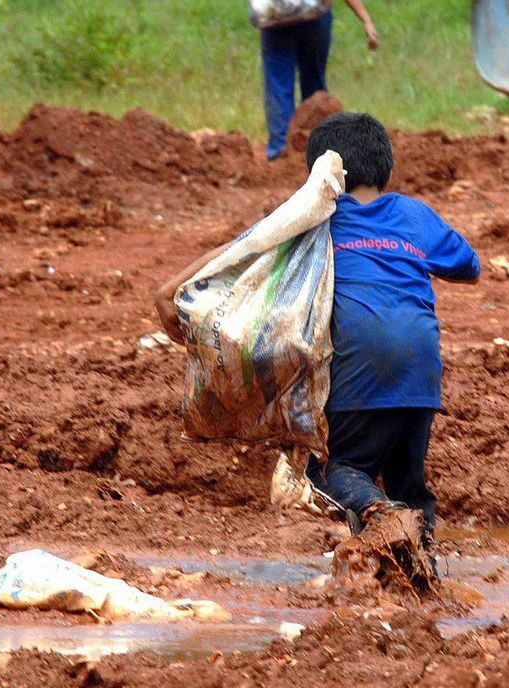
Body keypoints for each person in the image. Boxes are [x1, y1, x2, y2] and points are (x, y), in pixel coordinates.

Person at [154, 112, 479, 557]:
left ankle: (382, 518)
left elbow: (247, 248)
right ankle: (420, 573)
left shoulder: (316, 221)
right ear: (386, 169)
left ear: (320, 175)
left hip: (357, 372)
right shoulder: (414, 216)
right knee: (409, 483)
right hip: (421, 377)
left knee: (335, 473)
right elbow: (468, 267)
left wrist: (174, 288)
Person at [257, 0, 379, 161]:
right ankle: (318, 153)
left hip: (276, 16)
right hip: (314, 17)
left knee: (278, 87)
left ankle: (281, 153)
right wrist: (366, 20)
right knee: (314, 87)